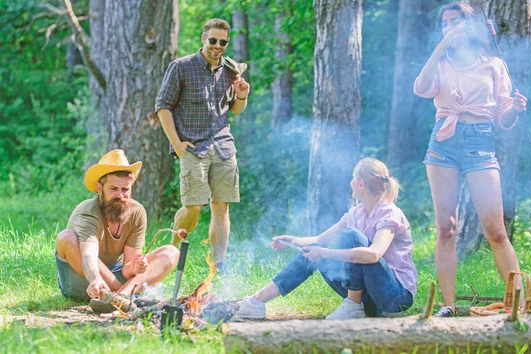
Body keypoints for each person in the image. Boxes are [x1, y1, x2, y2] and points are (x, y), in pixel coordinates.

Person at [413, 2, 528, 317]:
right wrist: (440, 48)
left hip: (480, 142)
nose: (449, 27)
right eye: (445, 23)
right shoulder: (440, 62)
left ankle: (518, 303)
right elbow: (421, 88)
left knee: (496, 230)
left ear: (471, 27)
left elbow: (503, 119)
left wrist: (514, 110)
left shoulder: (493, 65)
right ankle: (448, 306)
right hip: (443, 142)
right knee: (446, 228)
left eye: (455, 21)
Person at [234, 158, 418, 320]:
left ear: (361, 184)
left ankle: (353, 305)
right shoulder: (356, 212)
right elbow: (321, 239)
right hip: (370, 299)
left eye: (353, 178)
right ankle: (256, 302)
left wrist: (326, 252)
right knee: (315, 251)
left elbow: (373, 255)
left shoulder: (390, 214)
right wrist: (294, 241)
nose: (351, 182)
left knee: (350, 237)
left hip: (394, 297)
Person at [155, 18, 250, 271]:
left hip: (223, 146)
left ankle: (220, 265)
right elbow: (163, 106)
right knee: (193, 206)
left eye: (223, 42)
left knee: (221, 207)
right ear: (203, 38)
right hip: (192, 147)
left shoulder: (231, 70)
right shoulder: (181, 67)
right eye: (213, 40)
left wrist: (242, 93)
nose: (218, 46)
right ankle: (172, 252)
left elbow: (236, 110)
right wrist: (176, 144)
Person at [55, 150, 180, 311]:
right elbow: (88, 255)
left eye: (125, 189)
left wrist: (136, 267)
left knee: (171, 252)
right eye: (113, 189)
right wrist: (96, 279)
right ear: (100, 188)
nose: (120, 195)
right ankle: (125, 295)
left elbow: (127, 266)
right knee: (66, 237)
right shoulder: (88, 211)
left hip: (116, 274)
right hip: (84, 281)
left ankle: (119, 297)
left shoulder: (137, 212)